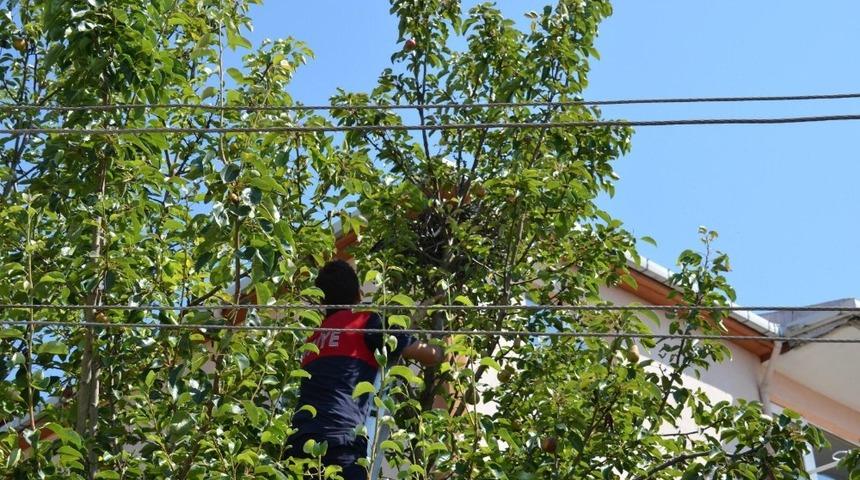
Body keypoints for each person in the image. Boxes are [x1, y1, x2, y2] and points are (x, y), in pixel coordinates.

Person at [285, 259, 443, 479]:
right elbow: (429, 355)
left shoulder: (312, 339)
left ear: (321, 299)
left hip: (297, 446)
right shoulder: (365, 322)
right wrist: (443, 348)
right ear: (358, 294)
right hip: (341, 444)